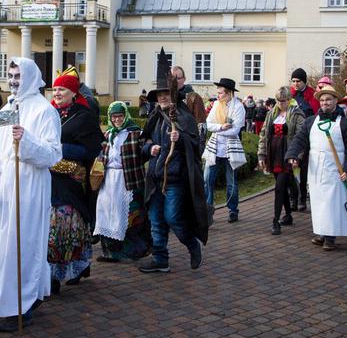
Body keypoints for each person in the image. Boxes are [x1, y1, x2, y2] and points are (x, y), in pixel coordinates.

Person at [0, 59, 62, 331]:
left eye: (18, 75)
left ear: (32, 77)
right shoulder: (9, 108)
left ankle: (19, 306)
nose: (13, 80)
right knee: (2, 243)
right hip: (5, 186)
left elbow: (53, 155)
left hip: (29, 185)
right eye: (10, 75)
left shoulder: (45, 111)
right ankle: (30, 294)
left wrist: (27, 139)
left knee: (22, 245)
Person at [138, 51, 208, 273]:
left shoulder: (183, 116)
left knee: (173, 218)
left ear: (173, 94)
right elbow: (143, 142)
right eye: (159, 95)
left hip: (176, 179)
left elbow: (197, 146)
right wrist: (151, 148)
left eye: (166, 94)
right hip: (156, 178)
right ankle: (160, 260)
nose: (162, 98)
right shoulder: (155, 117)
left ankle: (192, 245)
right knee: (156, 220)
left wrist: (182, 139)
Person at [48, 70, 104, 293]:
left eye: (62, 89)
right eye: (55, 89)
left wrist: (59, 150)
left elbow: (91, 148)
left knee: (65, 228)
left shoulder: (83, 115)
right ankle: (52, 275)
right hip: (48, 178)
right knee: (51, 230)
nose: (57, 92)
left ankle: (73, 268)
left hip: (72, 180)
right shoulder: (49, 112)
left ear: (73, 92)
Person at [285, 85, 347, 250]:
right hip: (316, 167)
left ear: (335, 101)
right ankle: (321, 232)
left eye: (329, 99)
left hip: (336, 168)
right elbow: (299, 139)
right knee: (318, 201)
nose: (325, 103)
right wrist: (293, 155)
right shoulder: (311, 121)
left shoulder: (345, 124)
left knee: (332, 202)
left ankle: (330, 237)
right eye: (323, 100)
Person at [93, 102, 151, 262]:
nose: (117, 119)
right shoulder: (108, 134)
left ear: (125, 116)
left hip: (127, 180)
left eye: (120, 116)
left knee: (128, 215)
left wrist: (150, 148)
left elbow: (144, 150)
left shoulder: (135, 133)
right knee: (106, 213)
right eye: (114, 116)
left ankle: (132, 251)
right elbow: (102, 154)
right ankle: (110, 252)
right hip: (108, 180)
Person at [257, 87, 305, 235]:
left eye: (283, 101)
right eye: (277, 100)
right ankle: (288, 215)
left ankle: (276, 220)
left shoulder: (297, 114)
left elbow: (301, 136)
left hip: (288, 154)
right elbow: (264, 134)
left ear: (289, 100)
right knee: (281, 185)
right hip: (274, 153)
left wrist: (297, 156)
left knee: (279, 187)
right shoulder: (271, 113)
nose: (279, 103)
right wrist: (261, 155)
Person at [203, 78, 246, 223]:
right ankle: (207, 210)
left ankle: (233, 210)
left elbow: (235, 130)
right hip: (215, 147)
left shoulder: (239, 107)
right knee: (207, 179)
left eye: (220, 93)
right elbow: (208, 124)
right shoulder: (216, 105)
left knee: (231, 182)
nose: (218, 95)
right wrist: (221, 127)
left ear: (228, 93)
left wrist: (218, 129)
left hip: (230, 149)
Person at [289, 68, 318, 212]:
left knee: (303, 168)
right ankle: (293, 198)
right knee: (291, 168)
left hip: (308, 136)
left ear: (304, 81)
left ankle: (302, 198)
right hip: (293, 136)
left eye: (298, 81)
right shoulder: (290, 94)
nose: (295, 84)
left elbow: (316, 113)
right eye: (293, 81)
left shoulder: (312, 95)